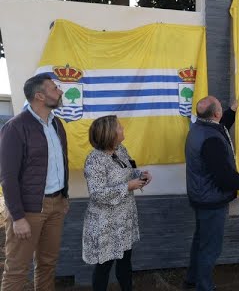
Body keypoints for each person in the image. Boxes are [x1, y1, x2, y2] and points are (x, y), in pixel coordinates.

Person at [0, 73, 69, 291]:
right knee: (17, 269)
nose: (59, 91)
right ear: (40, 96)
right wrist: (18, 217)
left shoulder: (57, 124)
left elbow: (61, 163)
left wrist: (63, 198)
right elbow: (7, 176)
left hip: (56, 205)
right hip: (28, 210)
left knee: (47, 264)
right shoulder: (15, 127)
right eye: (54, 88)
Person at [82, 115, 152, 291]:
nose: (122, 129)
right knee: (104, 266)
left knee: (125, 262)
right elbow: (97, 193)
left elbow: (129, 171)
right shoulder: (95, 160)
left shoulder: (120, 150)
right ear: (109, 133)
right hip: (105, 222)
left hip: (124, 219)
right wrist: (128, 186)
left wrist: (140, 176)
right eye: (119, 127)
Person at [184, 96, 239, 291]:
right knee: (210, 248)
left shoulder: (198, 128)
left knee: (201, 241)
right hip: (212, 200)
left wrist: (233, 110)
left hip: (201, 196)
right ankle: (204, 286)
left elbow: (221, 127)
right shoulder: (211, 140)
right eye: (221, 108)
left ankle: (192, 280)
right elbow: (224, 177)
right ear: (216, 114)